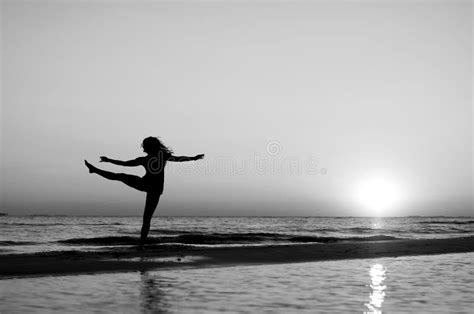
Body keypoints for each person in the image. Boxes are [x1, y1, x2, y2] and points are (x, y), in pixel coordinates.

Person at [84, 136, 204, 249]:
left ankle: (141, 245)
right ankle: (94, 170)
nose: (143, 148)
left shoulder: (160, 157)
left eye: (144, 146)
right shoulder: (149, 159)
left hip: (154, 189)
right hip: (147, 184)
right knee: (120, 176)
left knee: (146, 218)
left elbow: (179, 159)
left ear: (150, 146)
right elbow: (125, 163)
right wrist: (109, 160)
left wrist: (194, 158)